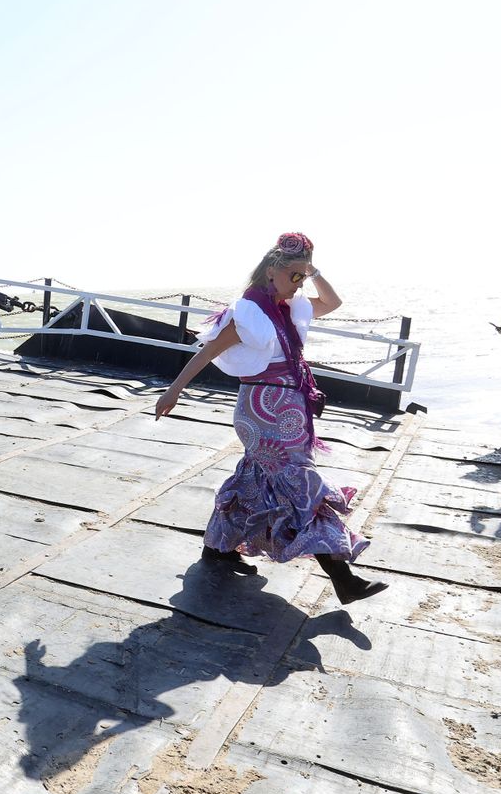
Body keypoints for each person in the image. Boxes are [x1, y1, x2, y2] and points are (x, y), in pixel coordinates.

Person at [155, 233, 387, 605]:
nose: (300, 283)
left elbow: (333, 302)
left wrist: (312, 270)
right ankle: (343, 578)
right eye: (294, 276)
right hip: (262, 410)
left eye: (303, 277)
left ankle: (217, 548)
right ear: (270, 271)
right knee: (300, 484)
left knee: (255, 478)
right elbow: (206, 352)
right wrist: (174, 390)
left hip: (290, 408)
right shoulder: (249, 313)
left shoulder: (290, 308)